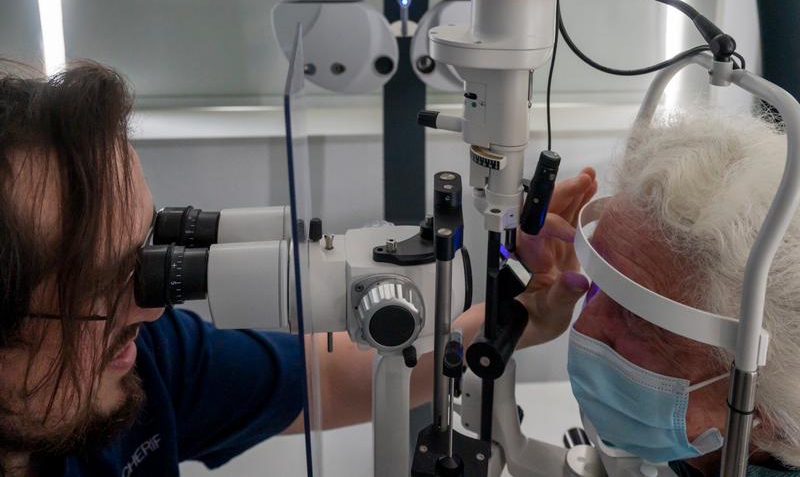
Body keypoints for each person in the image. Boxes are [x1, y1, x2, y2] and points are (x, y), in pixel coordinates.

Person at [0, 60, 597, 476]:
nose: (153, 305)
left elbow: (329, 378)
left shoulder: (145, 358)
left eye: (149, 252)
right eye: (101, 289)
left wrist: (512, 314)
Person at [569, 108, 800, 476]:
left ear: (767, 411)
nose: (585, 325)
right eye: (600, 284)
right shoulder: (698, 447)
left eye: (637, 317)